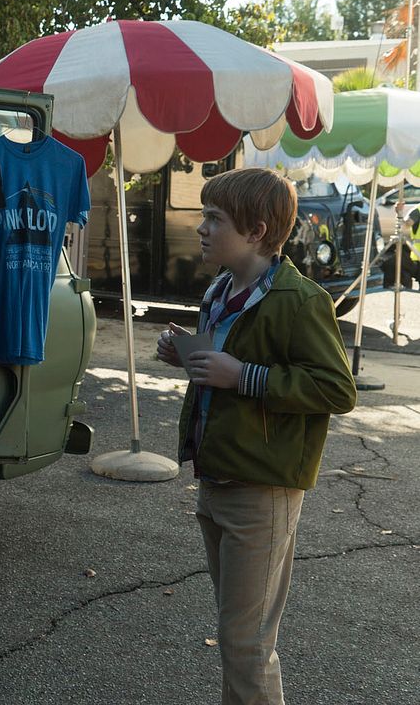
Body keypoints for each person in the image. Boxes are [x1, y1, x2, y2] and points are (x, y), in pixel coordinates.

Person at [155, 168, 356, 705]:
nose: (201, 228)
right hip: (217, 477)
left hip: (263, 491)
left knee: (246, 643)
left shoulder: (300, 300)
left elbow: (337, 389)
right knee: (237, 636)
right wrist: (187, 356)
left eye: (214, 218)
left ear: (256, 231)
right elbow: (222, 368)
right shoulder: (220, 290)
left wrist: (243, 376)